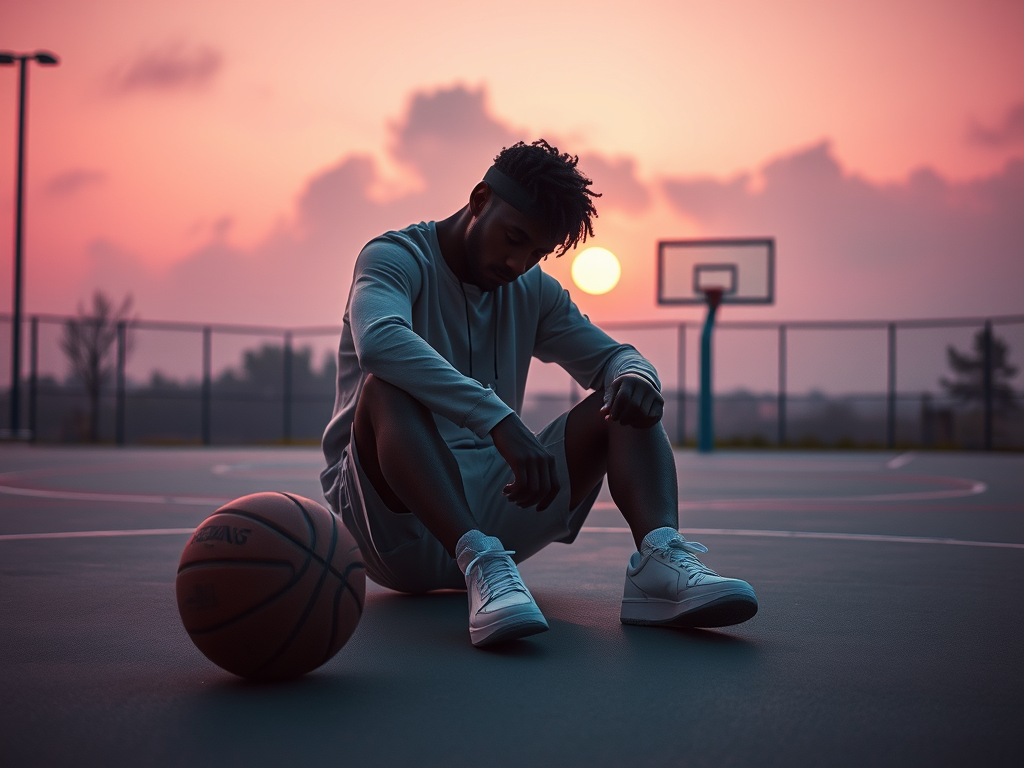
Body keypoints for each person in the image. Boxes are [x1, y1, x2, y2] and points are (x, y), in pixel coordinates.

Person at [321, 140, 757, 647]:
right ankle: (478, 556)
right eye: (513, 238)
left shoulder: (534, 290)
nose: (518, 262)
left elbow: (615, 357)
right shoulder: (395, 257)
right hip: (392, 521)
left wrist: (638, 376)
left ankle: (659, 561)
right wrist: (499, 418)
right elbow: (379, 341)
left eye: (537, 253)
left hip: (501, 512)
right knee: (384, 388)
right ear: (480, 199)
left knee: (623, 398)